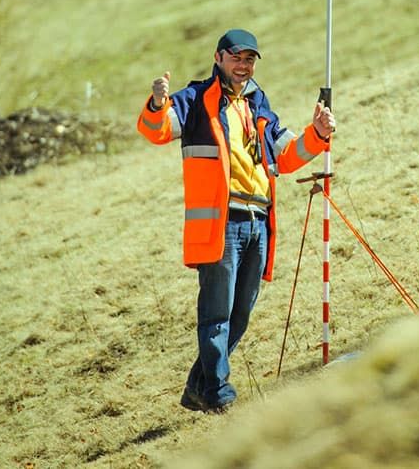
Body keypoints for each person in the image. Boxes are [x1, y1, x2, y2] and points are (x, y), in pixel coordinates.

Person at [137, 28, 335, 413]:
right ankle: (218, 393)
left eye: (249, 60)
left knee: (239, 315)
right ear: (218, 58)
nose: (243, 66)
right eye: (236, 58)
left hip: (258, 221)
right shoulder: (195, 100)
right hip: (221, 225)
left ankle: (199, 386)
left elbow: (288, 156)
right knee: (216, 314)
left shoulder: (259, 104)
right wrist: (157, 102)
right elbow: (155, 131)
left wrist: (319, 133)